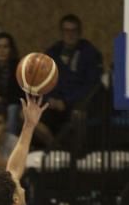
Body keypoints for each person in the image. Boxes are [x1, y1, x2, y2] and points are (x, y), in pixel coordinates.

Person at [37, 15, 104, 144]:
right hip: (53, 104)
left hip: (78, 105)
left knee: (79, 115)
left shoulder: (89, 53)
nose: (70, 35)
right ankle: (54, 147)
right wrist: (49, 99)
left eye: (74, 31)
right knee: (26, 116)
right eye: (66, 31)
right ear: (61, 33)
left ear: (80, 33)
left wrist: (66, 102)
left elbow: (91, 86)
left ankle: (74, 154)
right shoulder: (52, 52)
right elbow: (42, 81)